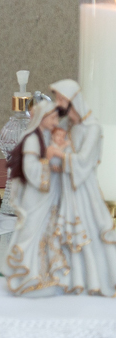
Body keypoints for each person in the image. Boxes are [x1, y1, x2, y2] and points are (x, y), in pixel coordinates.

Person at [51, 80, 116, 296]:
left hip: (83, 188)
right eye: (57, 99)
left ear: (74, 100)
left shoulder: (93, 128)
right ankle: (71, 278)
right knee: (65, 231)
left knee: (89, 228)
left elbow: (84, 160)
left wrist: (61, 154)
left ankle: (96, 280)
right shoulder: (68, 126)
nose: (59, 103)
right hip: (67, 187)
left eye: (62, 99)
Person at [4, 97, 68, 295]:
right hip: (35, 194)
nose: (56, 122)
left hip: (47, 194)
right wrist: (49, 163)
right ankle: (26, 274)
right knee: (32, 232)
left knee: (46, 233)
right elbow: (30, 168)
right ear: (43, 117)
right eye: (53, 118)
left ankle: (43, 273)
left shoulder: (47, 136)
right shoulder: (32, 138)